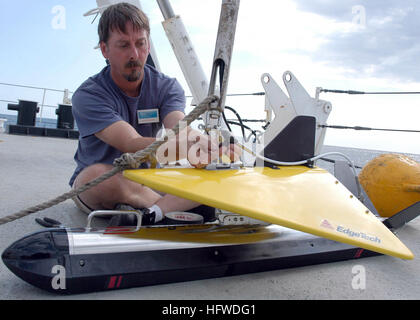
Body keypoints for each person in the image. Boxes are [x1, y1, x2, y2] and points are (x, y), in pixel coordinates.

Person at [69, 2, 239, 225]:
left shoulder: (166, 86)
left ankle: (154, 212)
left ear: (148, 44)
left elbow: (179, 127)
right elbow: (131, 142)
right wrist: (182, 147)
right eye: (123, 45)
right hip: (106, 182)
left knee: (218, 168)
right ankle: (174, 208)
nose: (135, 54)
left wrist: (208, 145)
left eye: (141, 43)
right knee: (96, 178)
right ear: (105, 49)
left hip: (150, 180)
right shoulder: (88, 95)